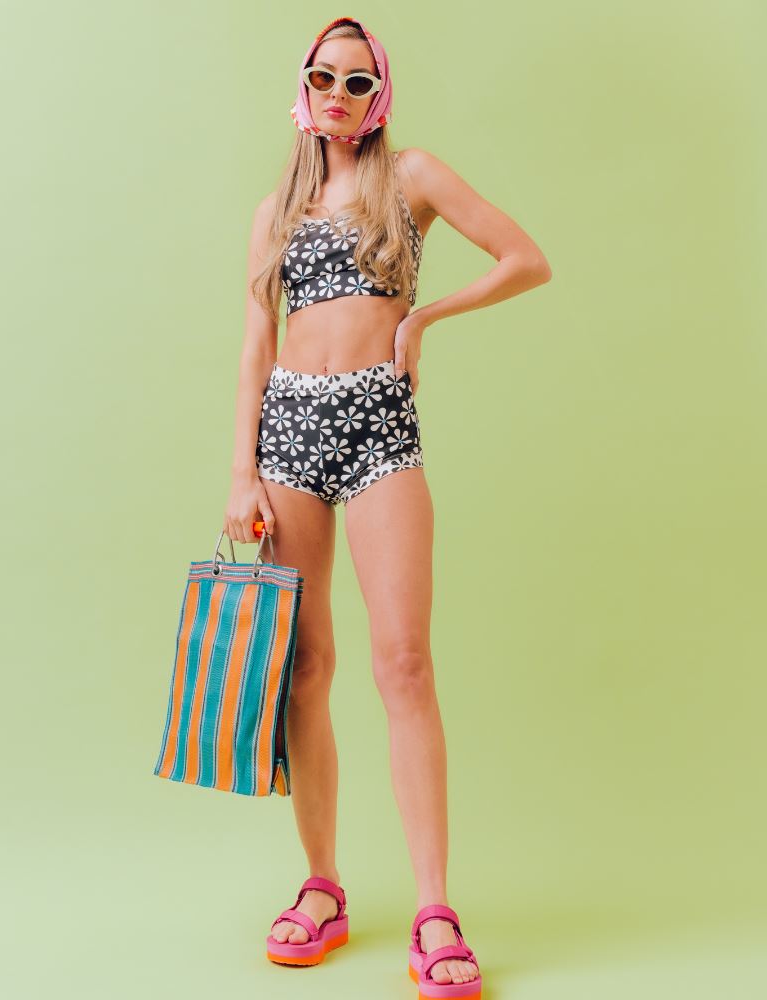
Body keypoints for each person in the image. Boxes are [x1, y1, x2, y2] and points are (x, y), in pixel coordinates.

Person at [223, 16, 551, 997]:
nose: (338, 93)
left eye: (357, 81)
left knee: (403, 662)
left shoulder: (409, 178)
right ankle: (321, 885)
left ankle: (433, 909)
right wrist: (239, 474)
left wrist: (425, 317)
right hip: (289, 431)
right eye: (323, 76)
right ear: (303, 87)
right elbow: (254, 345)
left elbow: (524, 257)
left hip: (377, 424)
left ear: (379, 95)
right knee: (304, 666)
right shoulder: (275, 210)